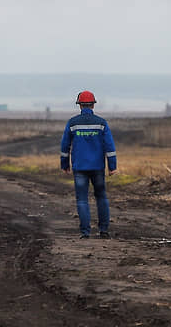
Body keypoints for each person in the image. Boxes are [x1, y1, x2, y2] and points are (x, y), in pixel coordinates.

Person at [60, 90, 117, 239]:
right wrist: (112, 166)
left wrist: (64, 164)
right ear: (93, 105)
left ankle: (85, 232)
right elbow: (109, 147)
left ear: (80, 105)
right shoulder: (101, 123)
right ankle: (103, 230)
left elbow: (65, 146)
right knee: (101, 197)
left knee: (82, 200)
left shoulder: (72, 123)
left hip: (80, 168)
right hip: (98, 167)